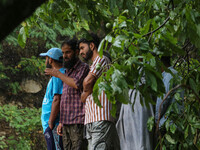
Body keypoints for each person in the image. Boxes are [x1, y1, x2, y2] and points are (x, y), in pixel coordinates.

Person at [45, 38, 89, 150]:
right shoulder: (68, 70)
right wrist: (61, 122)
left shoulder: (83, 68)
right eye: (63, 53)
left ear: (76, 52)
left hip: (78, 121)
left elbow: (76, 84)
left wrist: (58, 74)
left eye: (68, 52)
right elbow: (65, 97)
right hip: (66, 122)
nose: (65, 56)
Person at [78, 33, 120, 150]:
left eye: (82, 48)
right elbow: (84, 93)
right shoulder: (92, 65)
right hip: (92, 119)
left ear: (92, 46)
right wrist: (87, 89)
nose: (81, 52)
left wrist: (86, 90)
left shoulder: (102, 59)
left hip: (100, 119)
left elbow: (87, 83)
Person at [40, 48, 64, 150]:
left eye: (46, 58)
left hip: (53, 124)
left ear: (50, 60)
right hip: (51, 124)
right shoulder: (57, 74)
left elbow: (57, 99)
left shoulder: (58, 75)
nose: (46, 61)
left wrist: (50, 122)